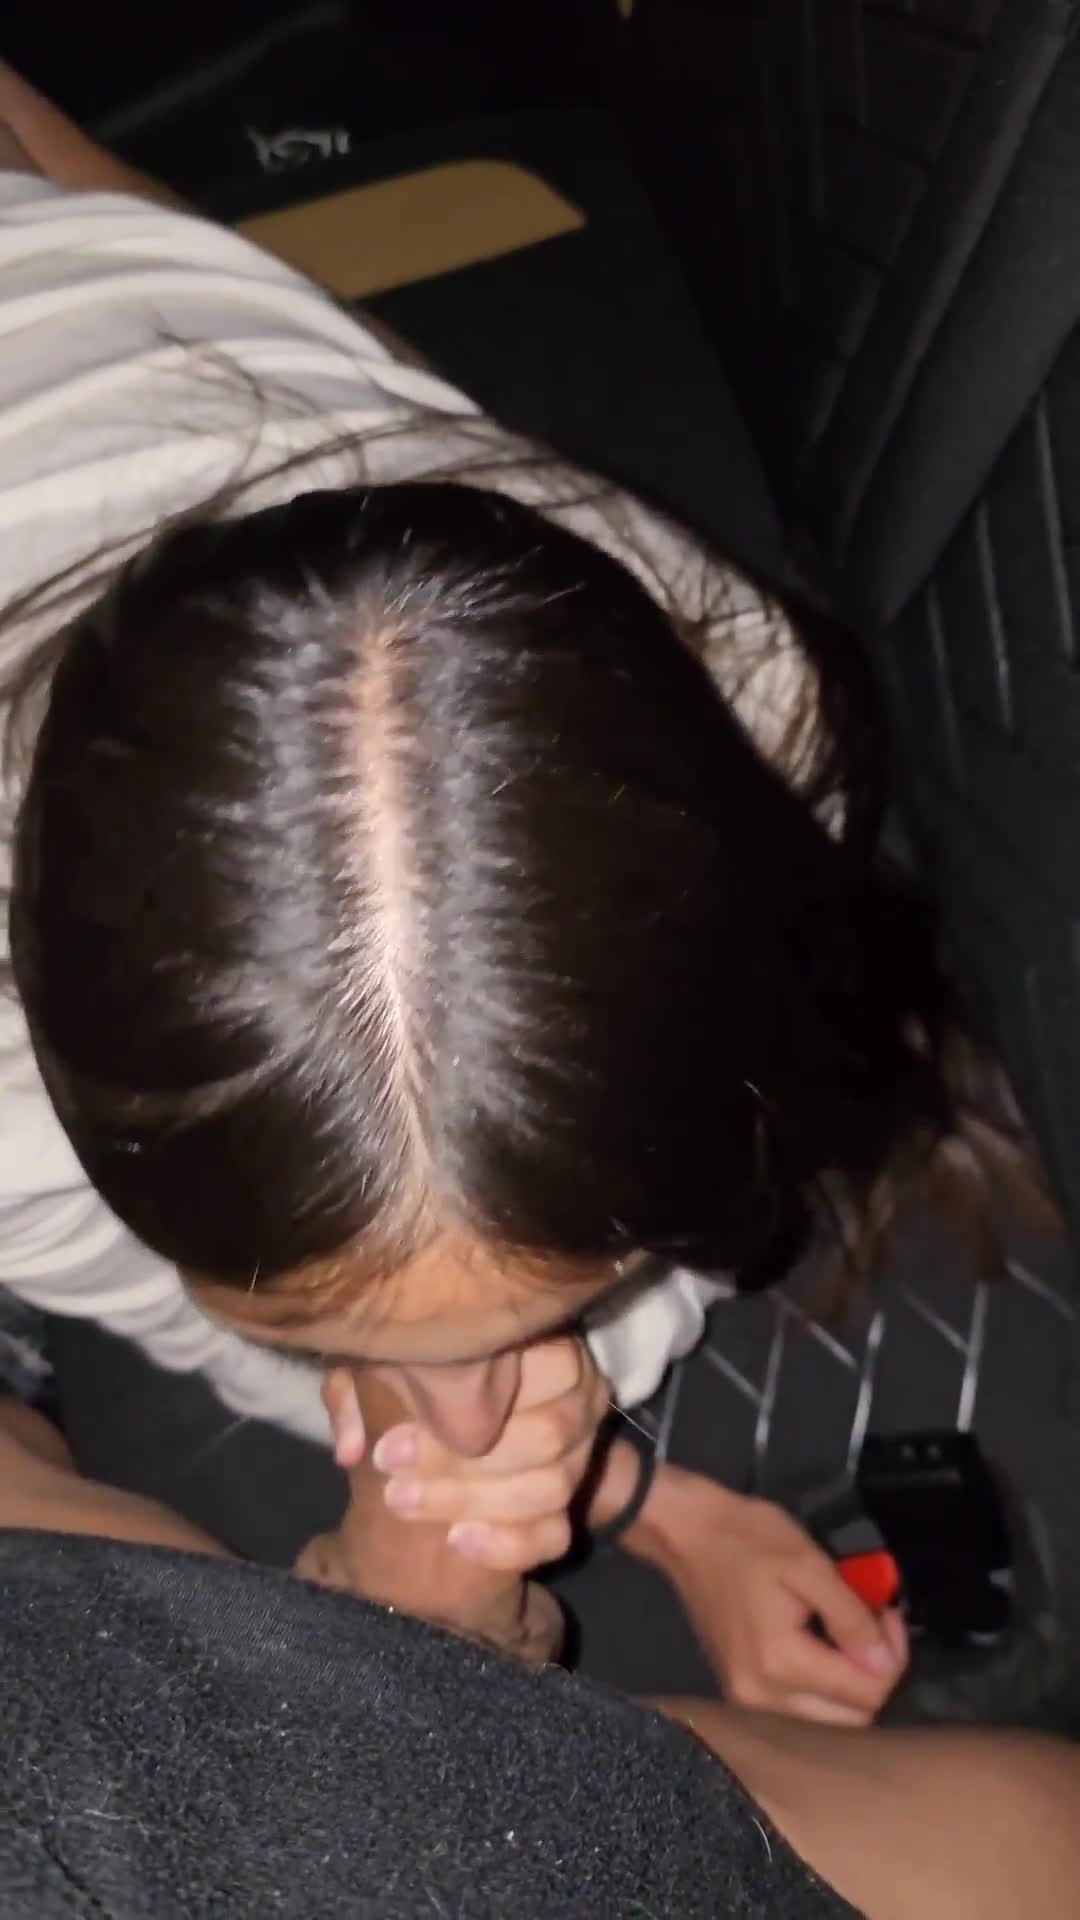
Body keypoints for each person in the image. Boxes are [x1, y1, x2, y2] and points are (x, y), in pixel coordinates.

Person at [0, 59, 1046, 1720]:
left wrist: (615, 1501)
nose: (482, 1419)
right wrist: (628, 1500)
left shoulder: (751, 698)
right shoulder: (10, 1118)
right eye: (337, 1327)